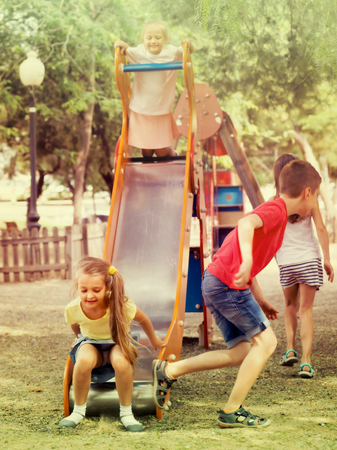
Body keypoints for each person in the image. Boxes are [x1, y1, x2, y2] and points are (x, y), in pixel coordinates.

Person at [152, 159, 322, 429]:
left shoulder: (277, 215)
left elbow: (249, 258)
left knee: (241, 352)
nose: (315, 205)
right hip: (226, 284)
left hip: (217, 281)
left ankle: (169, 370)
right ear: (308, 193)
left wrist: (261, 299)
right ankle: (232, 410)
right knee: (266, 344)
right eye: (317, 198)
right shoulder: (277, 209)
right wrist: (244, 263)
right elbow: (244, 225)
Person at [59, 256, 165, 432]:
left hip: (117, 341)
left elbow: (143, 319)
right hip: (91, 343)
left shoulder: (121, 304)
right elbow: (75, 323)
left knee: (122, 362)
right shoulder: (73, 308)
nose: (89, 295)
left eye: (96, 290)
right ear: (77, 287)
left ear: (107, 288)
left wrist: (154, 339)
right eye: (83, 290)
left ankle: (126, 412)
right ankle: (78, 411)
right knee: (83, 361)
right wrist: (78, 337)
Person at [273, 154, 334, 378]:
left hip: (286, 261)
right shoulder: (310, 200)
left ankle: (290, 349)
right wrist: (326, 258)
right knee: (305, 310)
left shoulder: (275, 202)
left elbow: (272, 236)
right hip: (308, 259)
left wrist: (277, 259)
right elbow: (320, 228)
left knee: (290, 305)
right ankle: (306, 363)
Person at [114, 21, 194, 158]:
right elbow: (125, 49)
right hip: (140, 109)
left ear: (165, 40)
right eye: (149, 38)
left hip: (160, 109)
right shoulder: (140, 52)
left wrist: (188, 44)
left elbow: (187, 51)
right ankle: (149, 177)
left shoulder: (171, 52)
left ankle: (172, 155)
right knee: (146, 152)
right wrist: (119, 44)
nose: (153, 41)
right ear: (143, 39)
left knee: (161, 151)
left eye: (158, 37)